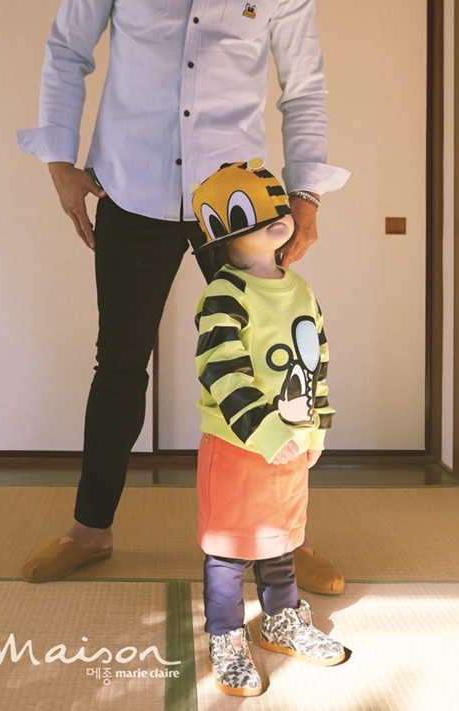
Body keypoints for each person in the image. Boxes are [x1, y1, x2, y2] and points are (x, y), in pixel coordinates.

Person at [16, 0, 350, 590]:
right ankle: (89, 531)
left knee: (275, 366)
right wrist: (58, 161)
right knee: (119, 365)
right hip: (130, 185)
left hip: (238, 202)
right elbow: (67, 49)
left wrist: (306, 192)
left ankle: (284, 538)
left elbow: (304, 87)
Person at [192, 160, 344, 696]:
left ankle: (280, 620)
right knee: (230, 551)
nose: (277, 215)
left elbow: (317, 361)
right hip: (239, 445)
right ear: (223, 231)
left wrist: (317, 429)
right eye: (253, 212)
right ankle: (226, 634)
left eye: (277, 204)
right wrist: (265, 431)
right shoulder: (224, 293)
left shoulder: (301, 288)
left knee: (280, 541)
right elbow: (220, 369)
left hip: (292, 445)